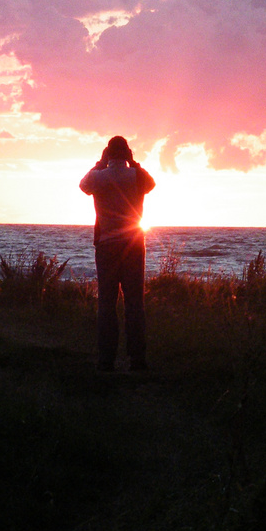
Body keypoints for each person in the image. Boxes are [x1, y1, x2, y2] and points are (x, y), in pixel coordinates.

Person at [80, 136, 155, 371]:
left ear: (107, 154)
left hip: (106, 245)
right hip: (133, 244)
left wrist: (98, 165)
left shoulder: (98, 177)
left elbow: (83, 185)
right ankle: (137, 359)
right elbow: (151, 184)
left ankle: (106, 359)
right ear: (128, 153)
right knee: (135, 303)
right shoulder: (136, 176)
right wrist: (135, 164)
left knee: (106, 303)